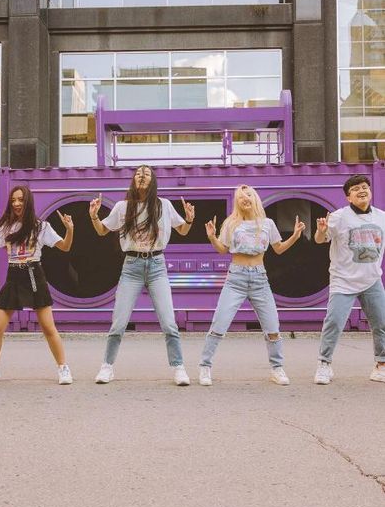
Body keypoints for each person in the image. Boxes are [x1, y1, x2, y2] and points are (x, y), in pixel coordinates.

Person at [88, 165, 195, 386]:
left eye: (146, 174)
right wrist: (94, 217)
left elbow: (183, 230)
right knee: (119, 323)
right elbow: (101, 230)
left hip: (157, 265)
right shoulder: (122, 206)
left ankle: (179, 368)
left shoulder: (163, 205)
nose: (141, 176)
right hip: (132, 266)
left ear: (153, 180)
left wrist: (190, 219)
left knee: (169, 322)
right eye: (138, 174)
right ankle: (107, 366)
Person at [0, 185, 74, 385]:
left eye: (20, 200)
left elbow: (65, 247)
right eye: (13, 200)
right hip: (14, 275)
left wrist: (70, 230)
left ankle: (63, 368)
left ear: (28, 202)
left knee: (48, 328)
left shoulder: (41, 226)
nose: (16, 203)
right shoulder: (6, 227)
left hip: (34, 275)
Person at [200, 184, 305, 386]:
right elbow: (222, 250)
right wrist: (212, 237)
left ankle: (277, 368)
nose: (245, 198)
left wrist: (295, 235)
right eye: (240, 196)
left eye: (248, 195)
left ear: (255, 198)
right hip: (236, 278)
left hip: (259, 278)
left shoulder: (267, 223)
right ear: (236, 202)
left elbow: (279, 248)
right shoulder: (231, 223)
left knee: (272, 326)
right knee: (219, 324)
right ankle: (205, 367)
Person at [313, 174, 385, 385]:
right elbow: (320, 240)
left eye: (364, 187)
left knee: (381, 323)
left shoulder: (381, 217)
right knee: (334, 322)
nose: (361, 191)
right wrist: (320, 231)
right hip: (343, 280)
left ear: (370, 191)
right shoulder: (338, 217)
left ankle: (381, 364)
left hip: (372, 280)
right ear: (348, 197)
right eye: (355, 189)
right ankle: (324, 364)